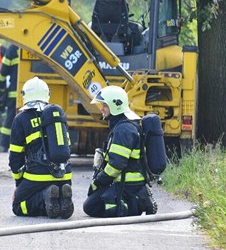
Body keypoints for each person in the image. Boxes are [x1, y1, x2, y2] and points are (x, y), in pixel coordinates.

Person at [83, 86, 157, 217]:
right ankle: (138, 199)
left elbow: (116, 165)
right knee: (93, 201)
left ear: (114, 105)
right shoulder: (122, 125)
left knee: (90, 206)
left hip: (128, 185)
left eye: (105, 105)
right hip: (127, 183)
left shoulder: (124, 129)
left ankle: (139, 202)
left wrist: (99, 181)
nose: (101, 109)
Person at [9, 77, 73, 219]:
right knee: (55, 193)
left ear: (24, 94)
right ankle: (62, 198)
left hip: (37, 176)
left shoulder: (21, 119)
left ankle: (44, 198)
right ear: (47, 94)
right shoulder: (58, 116)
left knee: (19, 206)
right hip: (64, 174)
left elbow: (15, 157)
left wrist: (19, 183)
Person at [0, 44, 19, 152]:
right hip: (35, 93)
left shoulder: (13, 48)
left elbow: (4, 68)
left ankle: (4, 145)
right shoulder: (36, 44)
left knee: (10, 118)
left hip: (15, 92)